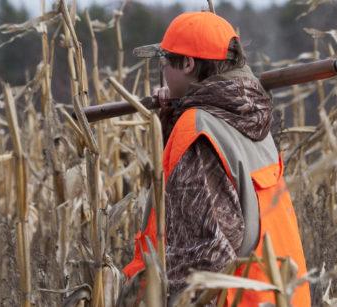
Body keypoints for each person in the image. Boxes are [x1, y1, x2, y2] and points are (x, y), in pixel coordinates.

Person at [122, 11, 311, 306]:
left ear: (187, 64)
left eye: (165, 62)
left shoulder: (197, 130)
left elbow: (200, 268)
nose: (162, 72)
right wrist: (173, 116)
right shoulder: (250, 119)